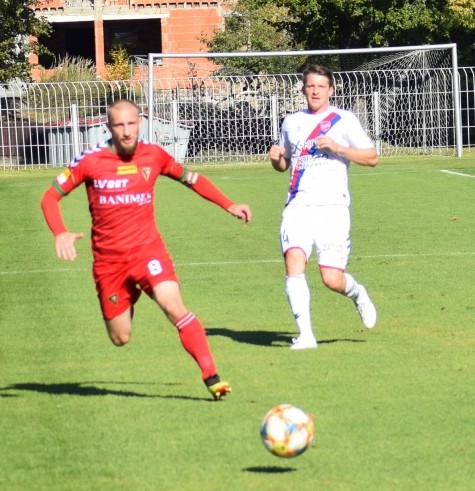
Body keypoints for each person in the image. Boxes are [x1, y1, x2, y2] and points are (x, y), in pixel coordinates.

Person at [40, 99, 252, 400]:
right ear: (108, 127)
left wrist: (229, 204)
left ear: (139, 123)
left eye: (131, 124)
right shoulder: (89, 160)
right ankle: (131, 293)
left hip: (147, 252)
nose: (126, 132)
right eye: (119, 125)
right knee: (120, 337)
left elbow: (191, 179)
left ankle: (212, 376)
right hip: (109, 263)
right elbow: (49, 198)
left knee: (173, 304)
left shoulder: (154, 156)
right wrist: (59, 232)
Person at [268, 65, 378, 350]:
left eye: (321, 86)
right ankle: (306, 335)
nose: (315, 91)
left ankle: (357, 293)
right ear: (303, 89)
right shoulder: (291, 122)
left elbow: (371, 157)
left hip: (333, 208)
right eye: (310, 85)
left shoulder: (344, 119)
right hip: (298, 206)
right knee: (293, 259)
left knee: (331, 278)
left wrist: (338, 148)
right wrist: (276, 158)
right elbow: (285, 165)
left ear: (330, 90)